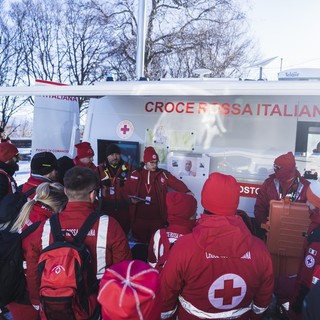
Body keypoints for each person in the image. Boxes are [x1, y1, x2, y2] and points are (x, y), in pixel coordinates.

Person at [160, 172, 274, 320]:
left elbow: (166, 294)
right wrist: (252, 316)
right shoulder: (260, 249)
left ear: (204, 201)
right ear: (235, 203)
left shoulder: (184, 247)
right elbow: (264, 297)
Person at [24, 166, 132, 318]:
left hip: (54, 308)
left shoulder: (46, 226)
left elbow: (33, 268)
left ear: (66, 192)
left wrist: (37, 302)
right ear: (93, 194)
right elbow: (124, 270)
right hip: (96, 307)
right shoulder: (109, 226)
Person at [6, 182, 68, 320]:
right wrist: (36, 300)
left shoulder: (31, 210)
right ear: (58, 207)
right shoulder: (43, 226)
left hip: (15, 284)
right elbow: (32, 265)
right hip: (25, 293)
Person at [122, 146, 193, 243]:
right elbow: (125, 192)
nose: (154, 165)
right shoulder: (135, 174)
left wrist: (186, 191)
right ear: (145, 161)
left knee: (155, 244)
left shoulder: (163, 174)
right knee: (139, 245)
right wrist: (130, 200)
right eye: (152, 162)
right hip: (138, 219)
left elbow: (176, 183)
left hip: (157, 219)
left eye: (156, 162)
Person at [254, 151, 309, 238]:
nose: (275, 169)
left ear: (288, 168)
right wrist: (264, 223)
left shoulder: (306, 187)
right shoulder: (269, 184)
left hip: (295, 235)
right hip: (271, 233)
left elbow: (312, 215)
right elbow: (259, 208)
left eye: (278, 167)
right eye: (274, 166)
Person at [148, 191, 197, 271]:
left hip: (159, 278)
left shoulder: (158, 234)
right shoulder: (195, 238)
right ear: (189, 215)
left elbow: (151, 261)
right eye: (195, 211)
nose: (196, 214)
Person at [97, 143, 132, 234]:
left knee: (124, 234)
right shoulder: (99, 169)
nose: (115, 157)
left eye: (117, 154)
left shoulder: (128, 168)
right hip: (107, 210)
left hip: (124, 210)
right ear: (107, 156)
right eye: (112, 154)